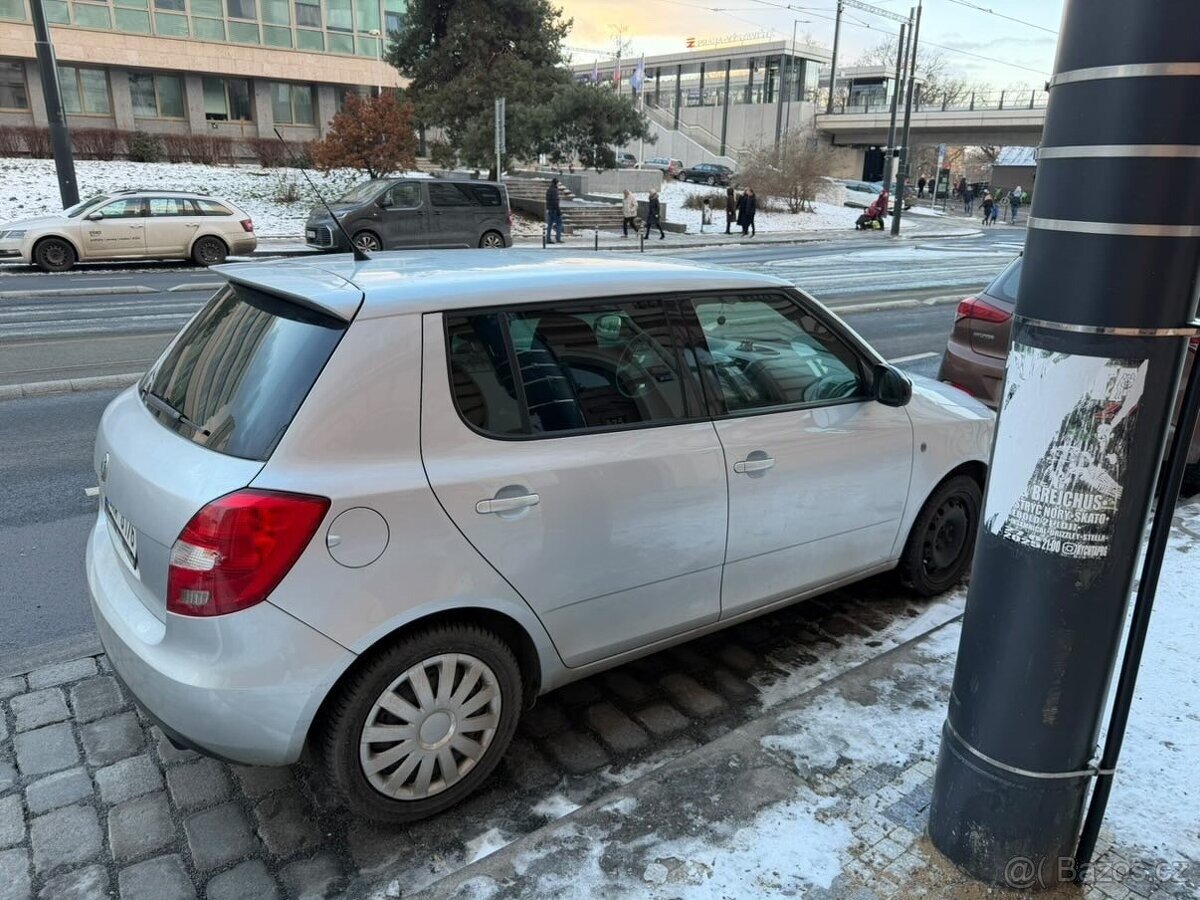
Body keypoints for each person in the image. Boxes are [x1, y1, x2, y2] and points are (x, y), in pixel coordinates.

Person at [545, 178, 563, 244]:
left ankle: (548, 238)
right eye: (558, 183)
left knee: (549, 224)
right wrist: (558, 211)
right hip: (555, 209)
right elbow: (555, 202)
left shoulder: (549, 189)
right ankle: (558, 238)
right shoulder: (555, 190)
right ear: (556, 183)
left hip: (550, 209)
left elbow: (548, 200)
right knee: (559, 223)